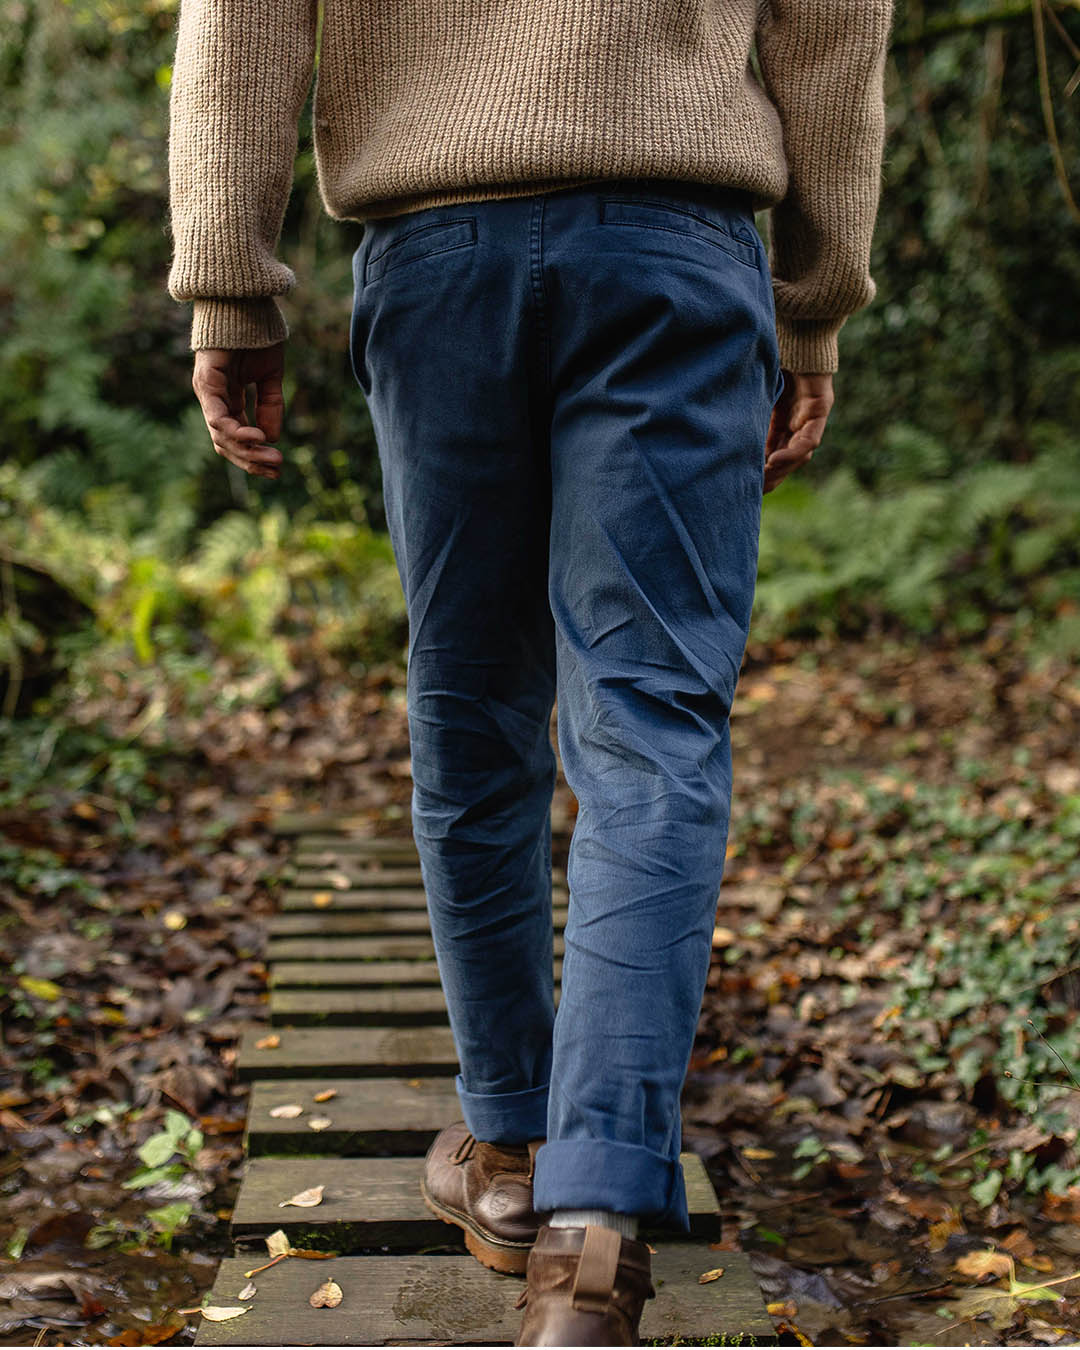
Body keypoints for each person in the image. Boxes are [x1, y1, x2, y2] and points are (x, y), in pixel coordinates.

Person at [167, 2, 893, 1342]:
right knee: (650, 728)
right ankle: (596, 1228)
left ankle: (507, 1148)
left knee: (472, 711)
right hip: (677, 248)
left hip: (439, 249)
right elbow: (834, 20)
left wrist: (230, 283)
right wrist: (815, 297)